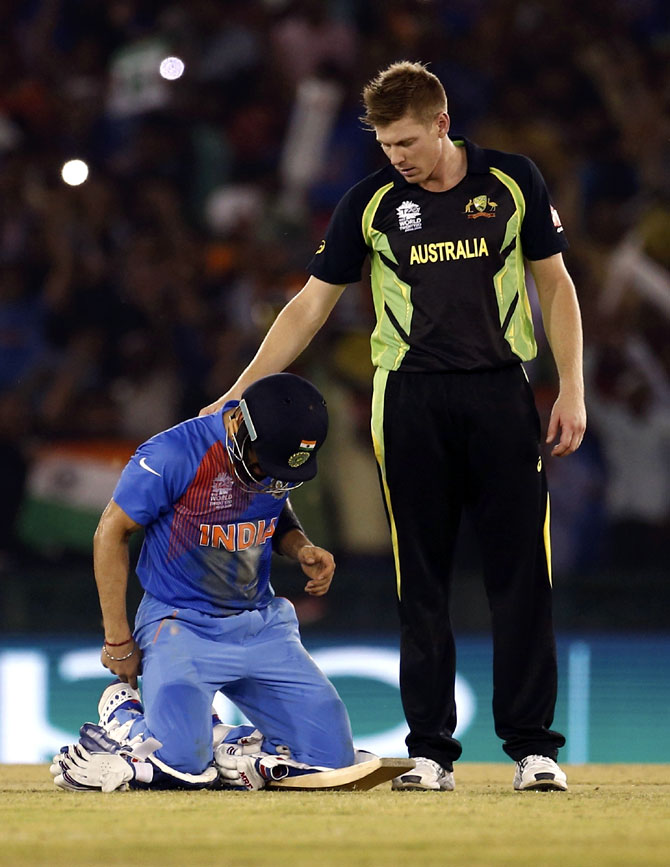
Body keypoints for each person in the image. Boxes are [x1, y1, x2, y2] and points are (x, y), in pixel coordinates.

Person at [201, 61, 586, 792]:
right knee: (423, 581)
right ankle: (433, 753)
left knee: (521, 578)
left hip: (503, 394)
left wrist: (571, 388)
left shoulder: (511, 182)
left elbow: (555, 283)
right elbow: (309, 306)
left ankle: (534, 750)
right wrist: (239, 390)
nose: (397, 157)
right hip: (407, 399)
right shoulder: (370, 202)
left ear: (442, 123)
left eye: (407, 141)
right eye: (385, 144)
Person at [54, 373, 357, 791]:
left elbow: (273, 504)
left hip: (260, 625)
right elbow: (111, 531)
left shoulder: (266, 453)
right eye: (265, 466)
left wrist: (300, 546)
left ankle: (220, 739)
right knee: (180, 764)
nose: (271, 479)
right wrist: (117, 639)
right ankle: (127, 717)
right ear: (240, 427)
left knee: (332, 759)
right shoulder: (174, 453)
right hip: (181, 624)